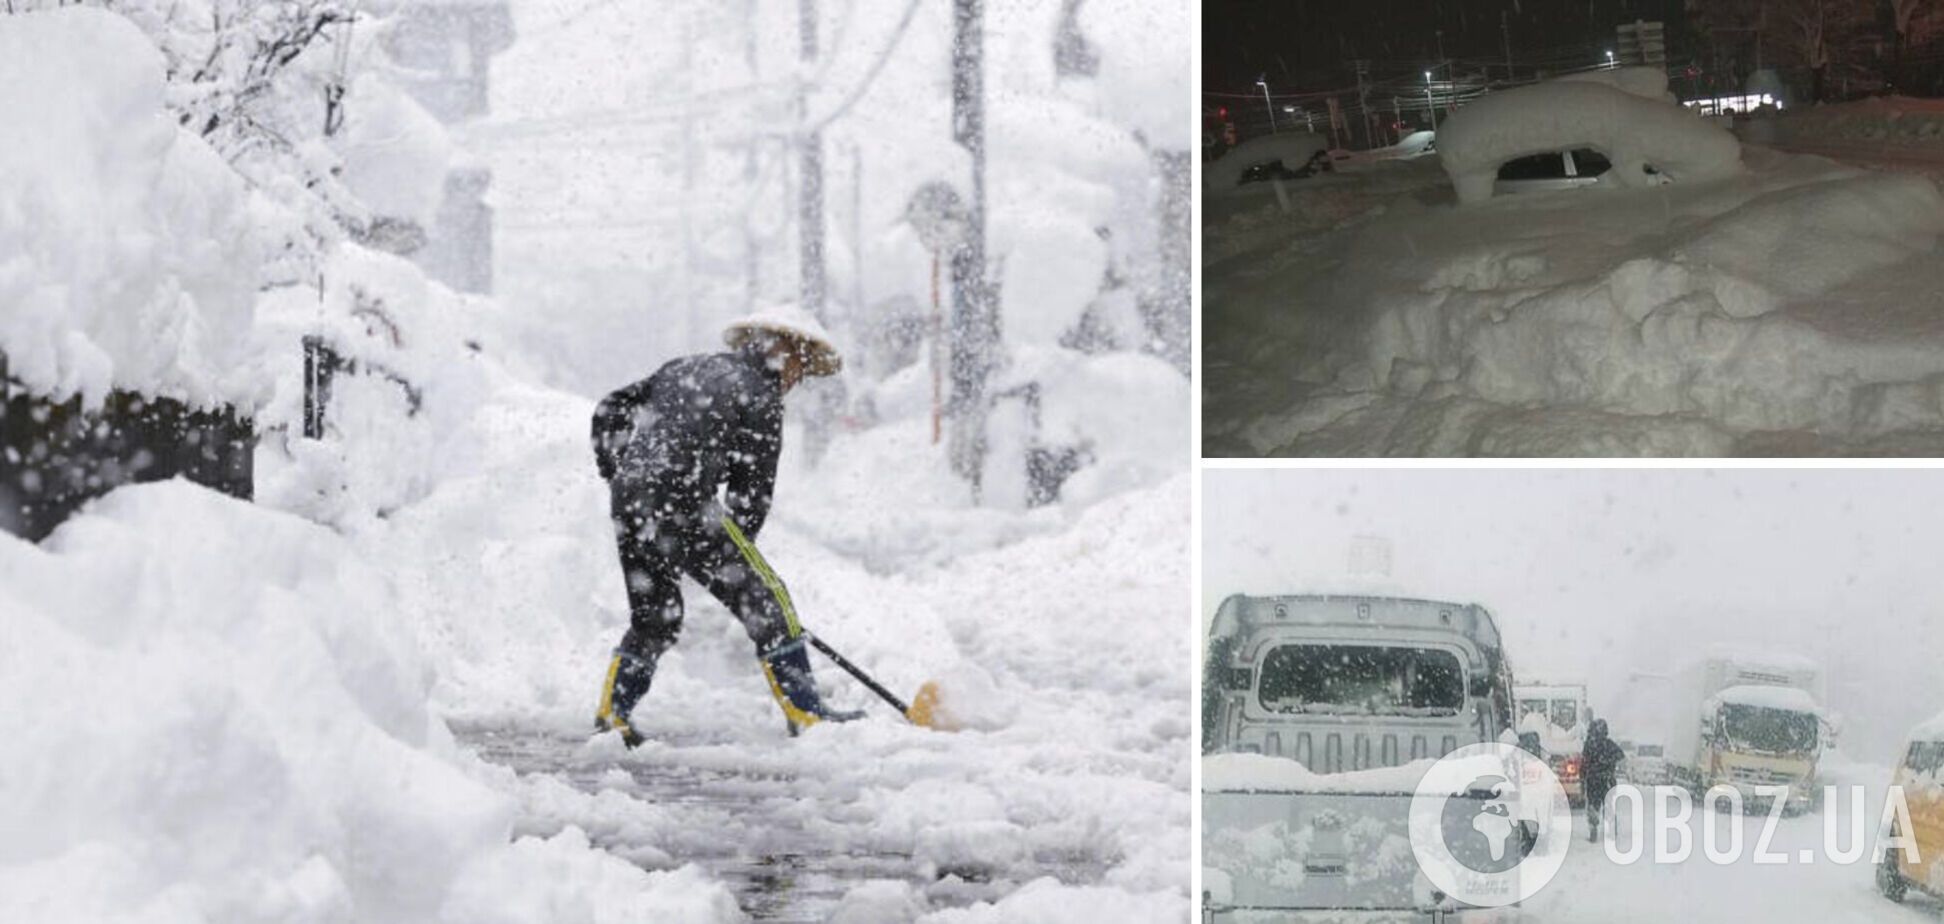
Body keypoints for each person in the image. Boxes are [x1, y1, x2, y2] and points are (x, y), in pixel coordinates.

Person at [590, 307, 862, 747]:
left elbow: (610, 408)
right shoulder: (760, 395)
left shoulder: (685, 368)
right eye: (801, 369)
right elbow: (752, 493)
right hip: (685, 501)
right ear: (786, 354)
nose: (798, 380)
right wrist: (735, 563)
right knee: (770, 599)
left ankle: (612, 712)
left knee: (655, 616)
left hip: (630, 501)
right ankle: (807, 714)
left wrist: (620, 472)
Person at [1581, 718, 1626, 842]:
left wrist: (1583, 778)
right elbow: (1621, 756)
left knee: (1593, 806)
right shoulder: (1609, 744)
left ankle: (1593, 828)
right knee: (1608, 806)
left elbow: (1583, 764)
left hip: (1593, 781)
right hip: (1607, 780)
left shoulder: (1589, 744)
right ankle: (1611, 829)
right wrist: (1609, 762)